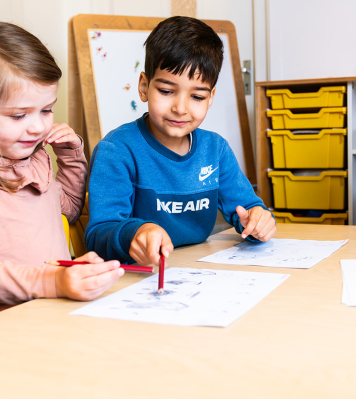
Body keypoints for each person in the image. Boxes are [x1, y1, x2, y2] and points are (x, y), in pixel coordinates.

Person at [85, 16, 277, 265]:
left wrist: (259, 221)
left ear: (210, 98)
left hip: (197, 270)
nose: (180, 108)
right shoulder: (117, 151)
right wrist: (135, 233)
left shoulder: (215, 150)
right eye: (166, 91)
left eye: (197, 96)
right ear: (144, 86)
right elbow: (99, 234)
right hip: (138, 277)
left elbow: (249, 209)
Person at [0, 22, 124, 309]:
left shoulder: (36, 159)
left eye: (46, 110)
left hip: (51, 310)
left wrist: (70, 156)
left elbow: (68, 210)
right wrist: (52, 281)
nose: (37, 127)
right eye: (19, 116)